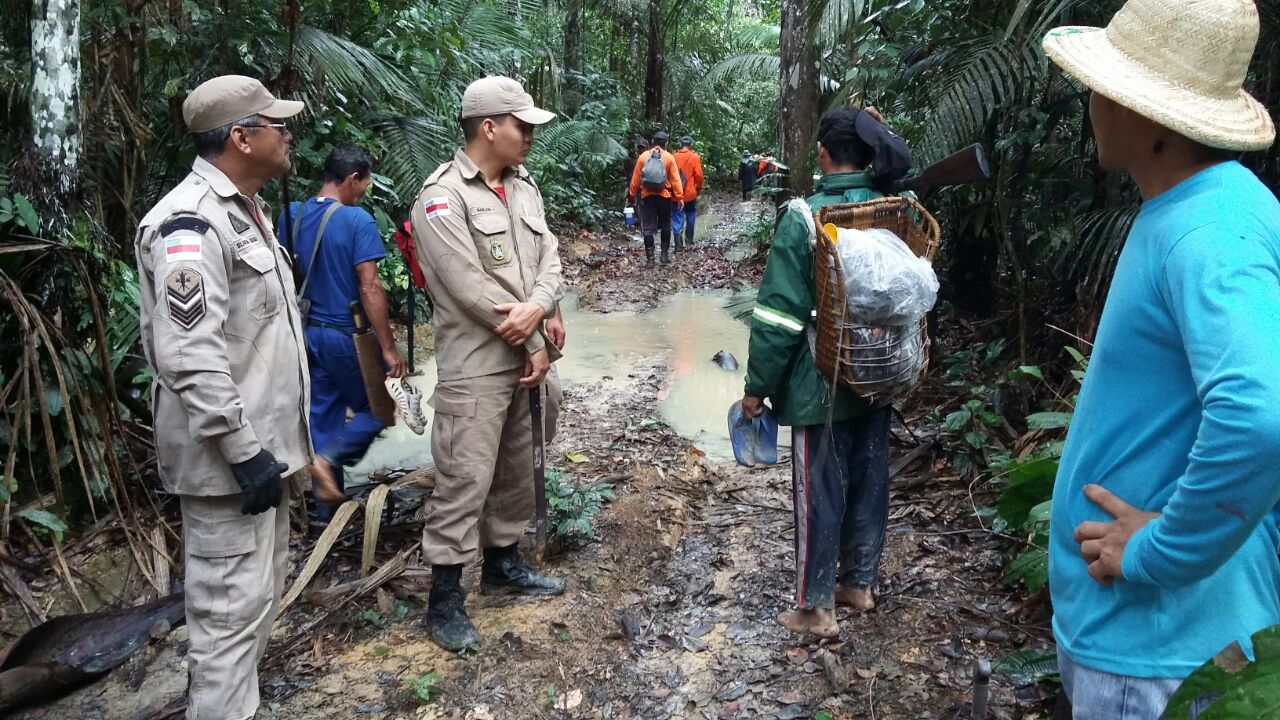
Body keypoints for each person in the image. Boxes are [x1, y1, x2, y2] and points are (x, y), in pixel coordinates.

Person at [1041, 1, 1280, 717]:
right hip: (1156, 636)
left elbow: (1260, 415)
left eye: (1104, 84)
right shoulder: (1211, 208)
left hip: (1157, 653)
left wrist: (1158, 552)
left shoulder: (1208, 232)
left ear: (1144, 114)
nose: (1093, 100)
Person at [135, 75, 309, 720]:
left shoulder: (246, 212)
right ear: (242, 137)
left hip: (260, 455)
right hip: (227, 465)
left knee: (258, 602)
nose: (288, 136)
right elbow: (190, 354)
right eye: (277, 125)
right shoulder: (190, 224)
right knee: (227, 619)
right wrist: (243, 450)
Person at [410, 76, 567, 652]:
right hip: (478, 363)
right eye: (522, 125)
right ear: (488, 127)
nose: (529, 135)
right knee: (464, 477)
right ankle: (444, 599)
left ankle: (503, 563)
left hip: (532, 358)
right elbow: (467, 286)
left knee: (517, 464)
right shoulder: (441, 196)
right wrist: (531, 337)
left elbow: (549, 253)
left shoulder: (524, 186)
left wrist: (545, 307)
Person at [739, 105, 909, 638]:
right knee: (869, 479)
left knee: (820, 491)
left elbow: (778, 314)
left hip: (822, 382)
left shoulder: (804, 217)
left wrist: (757, 389)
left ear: (822, 153)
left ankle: (815, 608)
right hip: (881, 370)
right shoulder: (899, 207)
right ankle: (857, 584)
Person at [279, 143, 411, 514]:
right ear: (353, 179)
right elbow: (369, 286)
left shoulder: (292, 214)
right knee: (380, 407)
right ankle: (327, 460)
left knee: (324, 414)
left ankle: (327, 517)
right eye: (365, 183)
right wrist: (387, 347)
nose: (364, 191)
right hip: (343, 335)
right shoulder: (357, 221)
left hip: (306, 333)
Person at [627, 130, 685, 268]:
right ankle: (664, 256)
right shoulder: (669, 158)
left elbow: (635, 180)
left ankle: (650, 260)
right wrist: (680, 197)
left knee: (647, 228)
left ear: (653, 142)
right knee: (665, 225)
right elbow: (675, 180)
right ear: (665, 143)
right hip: (664, 197)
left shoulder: (643, 157)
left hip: (647, 197)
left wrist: (631, 196)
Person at [671, 135, 705, 250]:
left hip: (676, 193)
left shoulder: (674, 156)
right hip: (690, 193)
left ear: (681, 144)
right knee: (690, 214)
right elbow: (699, 175)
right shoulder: (695, 157)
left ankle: (678, 242)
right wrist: (698, 188)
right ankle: (689, 241)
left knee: (677, 215)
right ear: (690, 145)